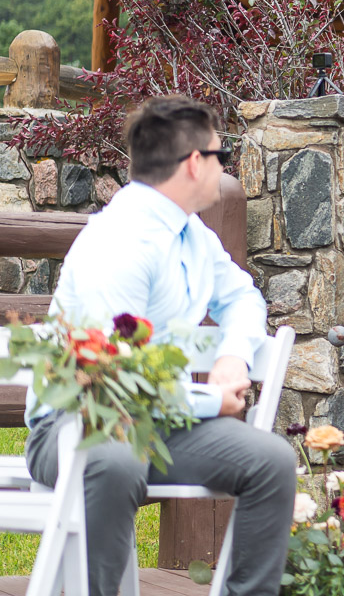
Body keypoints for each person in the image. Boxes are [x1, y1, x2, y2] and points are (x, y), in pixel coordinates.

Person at [25, 95, 296, 596]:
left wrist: (234, 354)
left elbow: (242, 297)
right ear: (195, 163)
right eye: (221, 155)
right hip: (79, 426)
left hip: (159, 427)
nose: (224, 167)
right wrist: (211, 400)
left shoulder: (191, 234)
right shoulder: (121, 243)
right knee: (115, 459)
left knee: (270, 460)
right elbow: (113, 384)